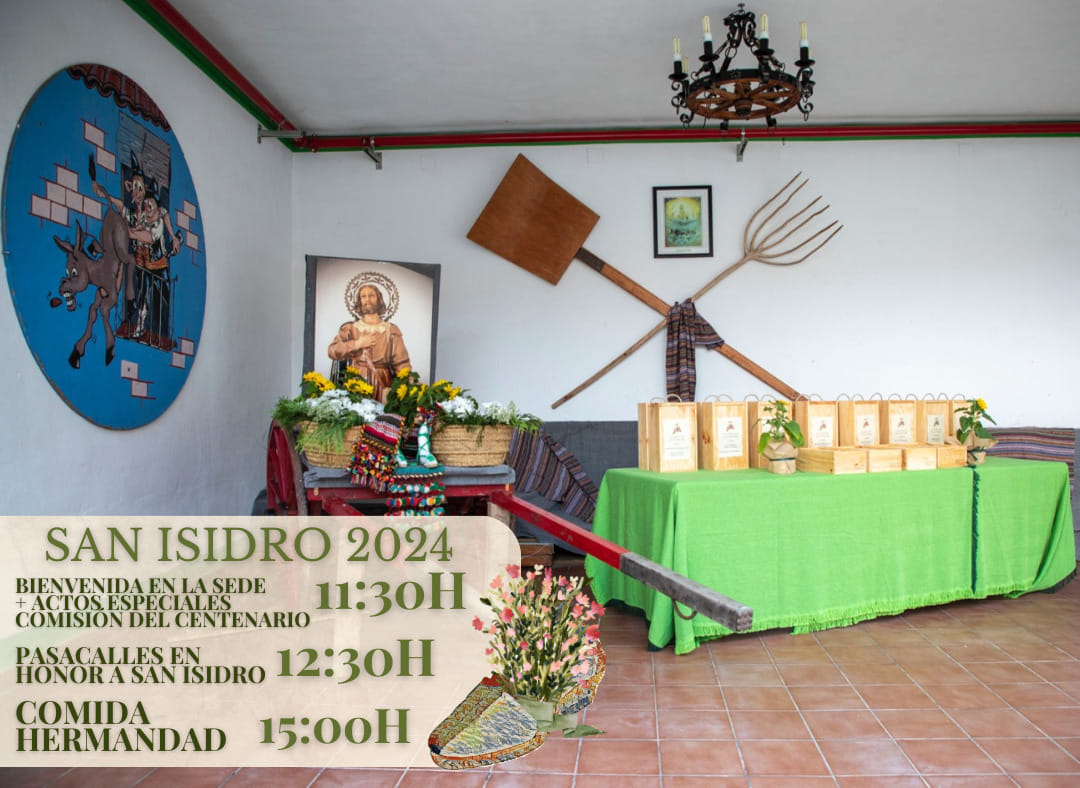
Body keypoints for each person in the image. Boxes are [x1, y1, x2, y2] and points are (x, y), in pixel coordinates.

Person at [327, 284, 412, 402]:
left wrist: (410, 386)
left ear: (378, 299)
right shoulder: (350, 328)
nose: (367, 300)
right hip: (356, 381)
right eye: (363, 296)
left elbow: (402, 363)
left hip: (382, 381)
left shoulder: (391, 330)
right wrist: (357, 344)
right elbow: (332, 350)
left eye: (371, 296)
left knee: (381, 411)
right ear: (359, 301)